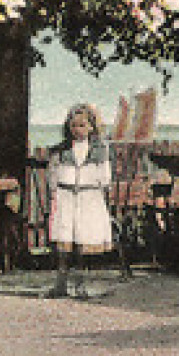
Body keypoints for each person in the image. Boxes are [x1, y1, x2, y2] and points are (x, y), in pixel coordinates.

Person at [46, 103, 114, 299]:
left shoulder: (99, 150)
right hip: (66, 198)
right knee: (65, 243)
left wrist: (90, 185)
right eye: (73, 126)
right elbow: (53, 175)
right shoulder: (61, 150)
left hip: (88, 199)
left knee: (83, 243)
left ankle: (81, 284)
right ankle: (60, 283)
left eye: (82, 125)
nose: (77, 130)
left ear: (92, 127)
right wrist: (57, 192)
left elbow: (105, 178)